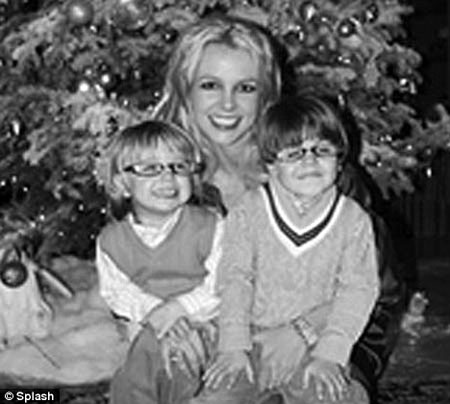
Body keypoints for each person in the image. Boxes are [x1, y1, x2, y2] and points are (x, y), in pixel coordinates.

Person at [124, 13, 405, 403]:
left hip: (325, 344)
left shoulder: (323, 176)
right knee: (160, 356)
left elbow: (380, 294)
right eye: (210, 85)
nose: (227, 104)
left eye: (245, 88)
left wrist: (306, 336)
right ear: (185, 91)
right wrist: (175, 326)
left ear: (266, 95)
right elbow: (144, 279)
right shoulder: (164, 185)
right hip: (221, 341)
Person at [201, 95, 380, 404]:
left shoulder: (353, 219)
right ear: (271, 165)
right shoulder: (248, 211)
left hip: (319, 343)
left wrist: (331, 354)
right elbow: (234, 279)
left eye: (322, 150)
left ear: (339, 161)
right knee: (217, 397)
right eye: (294, 153)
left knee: (339, 397)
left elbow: (358, 290)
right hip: (250, 340)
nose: (309, 162)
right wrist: (233, 346)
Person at [96, 120, 224, 404]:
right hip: (150, 323)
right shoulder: (111, 241)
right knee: (142, 365)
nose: (168, 177)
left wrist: (179, 310)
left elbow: (224, 283)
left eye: (178, 166)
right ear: (121, 184)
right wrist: (157, 313)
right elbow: (117, 292)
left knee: (179, 357)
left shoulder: (210, 226)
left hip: (208, 319)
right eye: (150, 168)